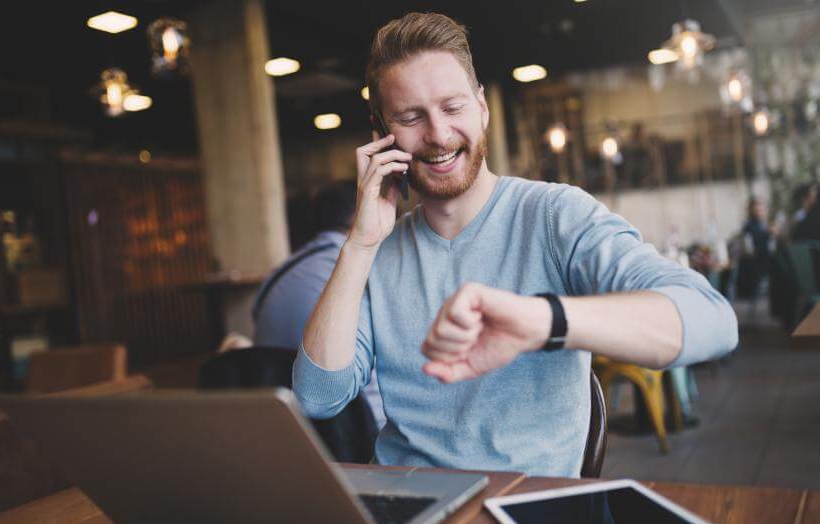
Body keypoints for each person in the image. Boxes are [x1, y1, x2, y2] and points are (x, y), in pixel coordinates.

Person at [293, 13, 737, 476]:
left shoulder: (555, 215)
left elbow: (714, 320)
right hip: (408, 506)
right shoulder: (378, 249)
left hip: (528, 506)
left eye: (452, 107)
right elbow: (318, 398)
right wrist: (360, 245)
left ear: (482, 106)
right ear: (381, 131)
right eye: (410, 117)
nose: (439, 135)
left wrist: (542, 320)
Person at [252, 180, 384, 428]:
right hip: (354, 434)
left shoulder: (278, 273)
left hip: (282, 430)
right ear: (361, 212)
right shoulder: (362, 269)